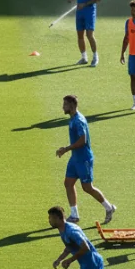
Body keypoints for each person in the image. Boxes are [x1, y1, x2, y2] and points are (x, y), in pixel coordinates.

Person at [56, 95, 116, 225]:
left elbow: (83, 140)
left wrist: (66, 149)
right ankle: (74, 215)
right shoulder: (72, 119)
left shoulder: (79, 121)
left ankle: (109, 207)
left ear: (72, 105)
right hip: (75, 159)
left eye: (65, 104)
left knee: (87, 188)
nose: (63, 107)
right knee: (68, 183)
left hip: (84, 160)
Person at [68, 0, 102, 66]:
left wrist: (85, 4)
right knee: (80, 35)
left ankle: (95, 57)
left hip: (89, 11)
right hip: (80, 11)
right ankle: (84, 58)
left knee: (89, 35)